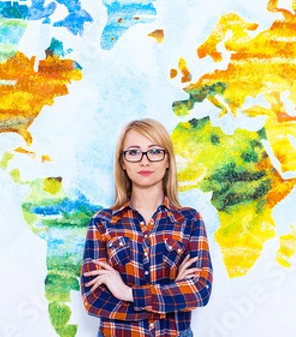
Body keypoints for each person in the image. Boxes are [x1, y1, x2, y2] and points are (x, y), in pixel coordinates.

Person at [80, 118, 213, 337]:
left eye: (154, 151)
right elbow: (94, 301)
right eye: (133, 152)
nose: (144, 161)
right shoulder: (102, 222)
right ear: (122, 162)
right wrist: (171, 299)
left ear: (167, 160)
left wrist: (127, 292)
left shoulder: (190, 220)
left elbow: (199, 291)